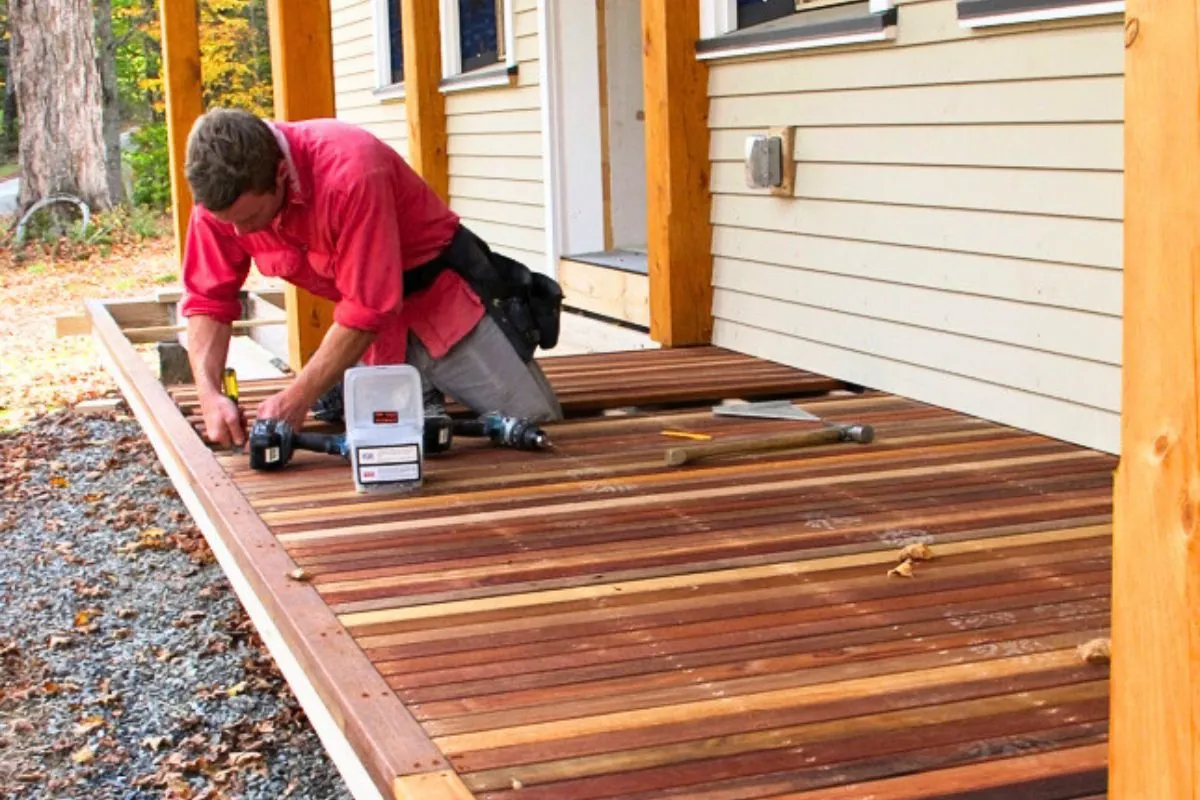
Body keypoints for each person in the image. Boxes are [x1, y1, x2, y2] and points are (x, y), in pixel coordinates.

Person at [177, 108, 563, 449]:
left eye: (249, 220)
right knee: (382, 456)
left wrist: (296, 398)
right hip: (369, 331)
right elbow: (209, 300)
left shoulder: (350, 170)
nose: (240, 234)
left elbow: (368, 307)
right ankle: (408, 394)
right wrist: (209, 395)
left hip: (438, 305)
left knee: (540, 427)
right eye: (228, 222)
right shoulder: (219, 201)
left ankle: (418, 387)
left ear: (280, 175)